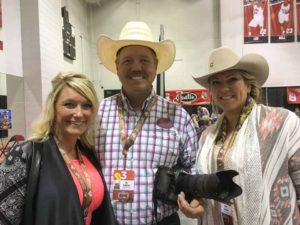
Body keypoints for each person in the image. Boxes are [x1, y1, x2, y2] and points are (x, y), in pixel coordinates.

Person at [178, 47, 300, 224]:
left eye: (232, 79)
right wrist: (197, 202)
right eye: (216, 82)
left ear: (249, 84)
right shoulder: (207, 137)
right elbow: (207, 187)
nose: (224, 88)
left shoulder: (281, 123)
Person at [96, 21, 198, 225]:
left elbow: (194, 166)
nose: (136, 67)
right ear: (117, 67)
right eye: (127, 61)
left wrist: (196, 196)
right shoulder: (97, 113)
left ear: (156, 66)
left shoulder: (177, 116)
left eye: (144, 60)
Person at [0, 72, 117, 225]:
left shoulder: (88, 153)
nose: (79, 113)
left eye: (87, 105)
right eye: (69, 104)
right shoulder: (26, 154)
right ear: (53, 108)